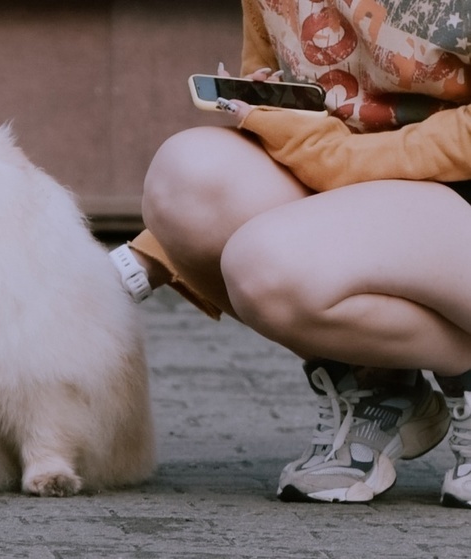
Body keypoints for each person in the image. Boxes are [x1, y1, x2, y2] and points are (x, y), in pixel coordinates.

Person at [109, 0, 471, 506]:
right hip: (368, 195)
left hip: (457, 201)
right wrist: (153, 254)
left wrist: (335, 156)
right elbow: (285, 119)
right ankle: (382, 389)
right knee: (186, 180)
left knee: (267, 263)